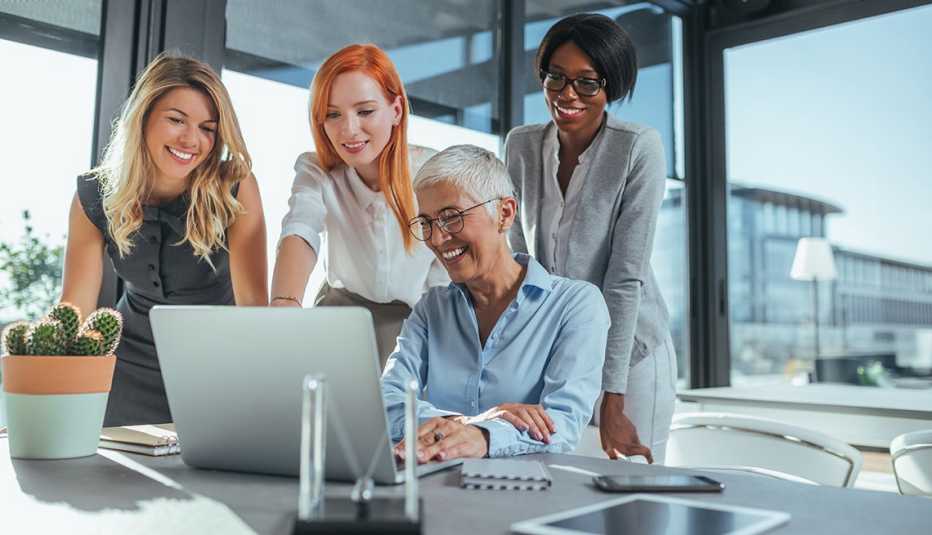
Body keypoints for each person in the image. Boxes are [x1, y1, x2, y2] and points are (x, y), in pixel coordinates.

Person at [61, 52, 268, 426]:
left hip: (215, 374)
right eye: (176, 120)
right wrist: (46, 401)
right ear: (143, 118)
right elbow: (74, 310)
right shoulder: (94, 196)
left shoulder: (234, 187)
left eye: (208, 128)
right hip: (125, 372)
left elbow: (254, 307)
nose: (192, 139)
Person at [505, 13, 676, 463]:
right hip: (559, 351)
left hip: (631, 355)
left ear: (611, 86)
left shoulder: (638, 147)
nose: (567, 95)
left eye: (587, 82)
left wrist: (612, 398)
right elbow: (518, 261)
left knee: (633, 497)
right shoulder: (520, 146)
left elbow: (624, 277)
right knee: (558, 483)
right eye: (555, 78)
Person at [380, 145, 608, 462]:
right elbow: (387, 399)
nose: (436, 238)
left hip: (527, 494)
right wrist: (475, 424)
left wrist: (480, 436)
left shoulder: (577, 305)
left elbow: (563, 425)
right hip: (436, 487)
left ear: (504, 213)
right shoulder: (432, 309)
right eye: (427, 223)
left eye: (451, 217)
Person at [270, 44, 446, 366]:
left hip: (415, 327)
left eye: (365, 111)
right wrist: (285, 304)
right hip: (335, 323)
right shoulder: (317, 170)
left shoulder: (434, 175)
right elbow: (300, 227)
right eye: (333, 114)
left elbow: (445, 280)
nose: (349, 130)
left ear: (396, 110)